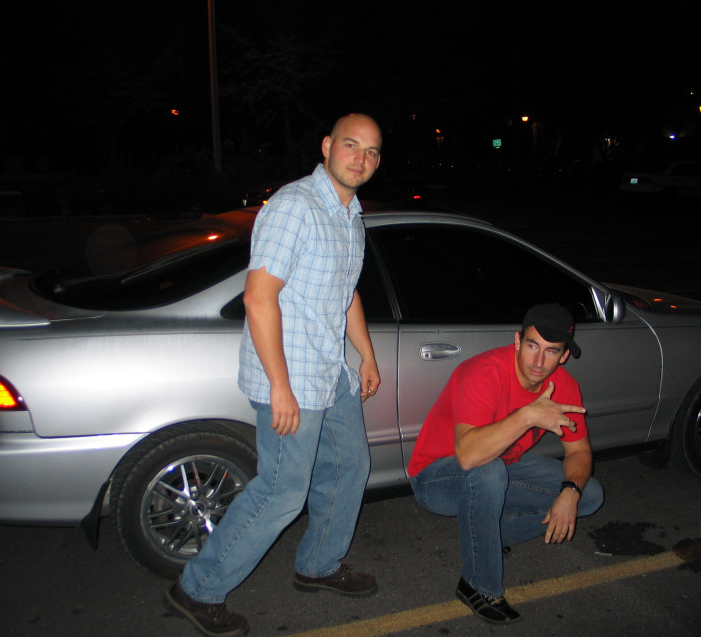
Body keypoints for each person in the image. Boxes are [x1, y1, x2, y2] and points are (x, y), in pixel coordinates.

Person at [166, 113, 383, 637]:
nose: (361, 158)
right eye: (351, 145)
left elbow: (346, 291)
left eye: (372, 151)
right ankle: (197, 588)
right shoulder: (294, 207)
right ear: (327, 146)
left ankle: (319, 564)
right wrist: (280, 387)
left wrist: (367, 355)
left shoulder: (350, 215)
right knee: (283, 490)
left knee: (350, 465)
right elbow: (259, 298)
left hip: (330, 369)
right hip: (291, 375)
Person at [407, 303, 604, 625]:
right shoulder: (483, 372)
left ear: (564, 355)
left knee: (589, 494)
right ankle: (477, 584)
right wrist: (528, 415)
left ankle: (489, 537)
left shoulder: (564, 386)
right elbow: (469, 456)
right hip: (437, 477)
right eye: (532, 346)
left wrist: (570, 492)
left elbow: (579, 452)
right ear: (517, 341)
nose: (538, 362)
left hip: (500, 469)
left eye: (551, 351)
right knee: (488, 469)